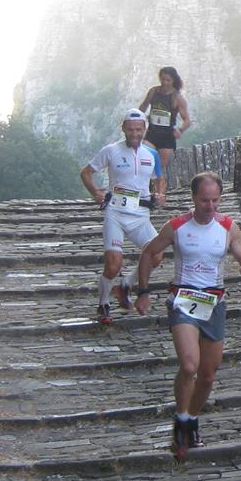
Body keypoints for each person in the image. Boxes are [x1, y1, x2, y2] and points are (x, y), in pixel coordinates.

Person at [135, 171, 241, 459]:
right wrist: (143, 291)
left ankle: (192, 419)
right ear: (193, 198)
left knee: (208, 375)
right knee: (190, 366)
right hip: (183, 300)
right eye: (204, 201)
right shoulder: (177, 226)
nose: (210, 206)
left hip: (213, 303)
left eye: (215, 200)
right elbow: (148, 253)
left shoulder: (228, 227)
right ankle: (180, 420)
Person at [80, 109, 166, 325]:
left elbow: (159, 178)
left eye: (138, 130)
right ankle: (103, 304)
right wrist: (95, 192)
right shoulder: (111, 151)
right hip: (116, 213)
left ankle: (126, 285)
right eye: (130, 130)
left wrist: (160, 193)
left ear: (144, 129)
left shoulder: (151, 154)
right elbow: (86, 172)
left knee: (156, 255)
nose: (134, 134)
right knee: (113, 265)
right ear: (123, 129)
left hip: (141, 215)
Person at [137, 66, 192, 172]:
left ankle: (158, 181)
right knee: (144, 160)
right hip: (152, 133)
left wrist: (180, 130)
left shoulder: (177, 98)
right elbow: (143, 106)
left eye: (168, 80)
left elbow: (187, 120)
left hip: (167, 136)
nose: (164, 82)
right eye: (162, 79)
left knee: (160, 167)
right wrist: (136, 118)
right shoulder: (153, 91)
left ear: (173, 80)